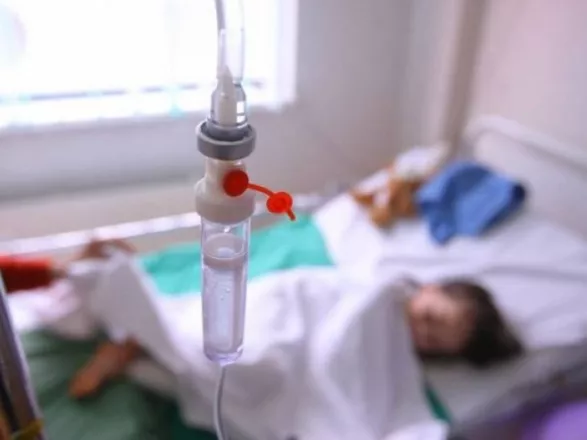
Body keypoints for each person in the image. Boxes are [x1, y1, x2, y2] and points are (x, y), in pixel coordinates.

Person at [2, 240, 524, 400]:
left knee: (257, 382)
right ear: (428, 289)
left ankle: (140, 351)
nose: (423, 333)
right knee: (244, 356)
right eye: (432, 317)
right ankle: (146, 339)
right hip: (280, 311)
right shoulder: (378, 289)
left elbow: (358, 386)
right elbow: (309, 296)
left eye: (436, 342)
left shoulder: (397, 362)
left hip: (303, 355)